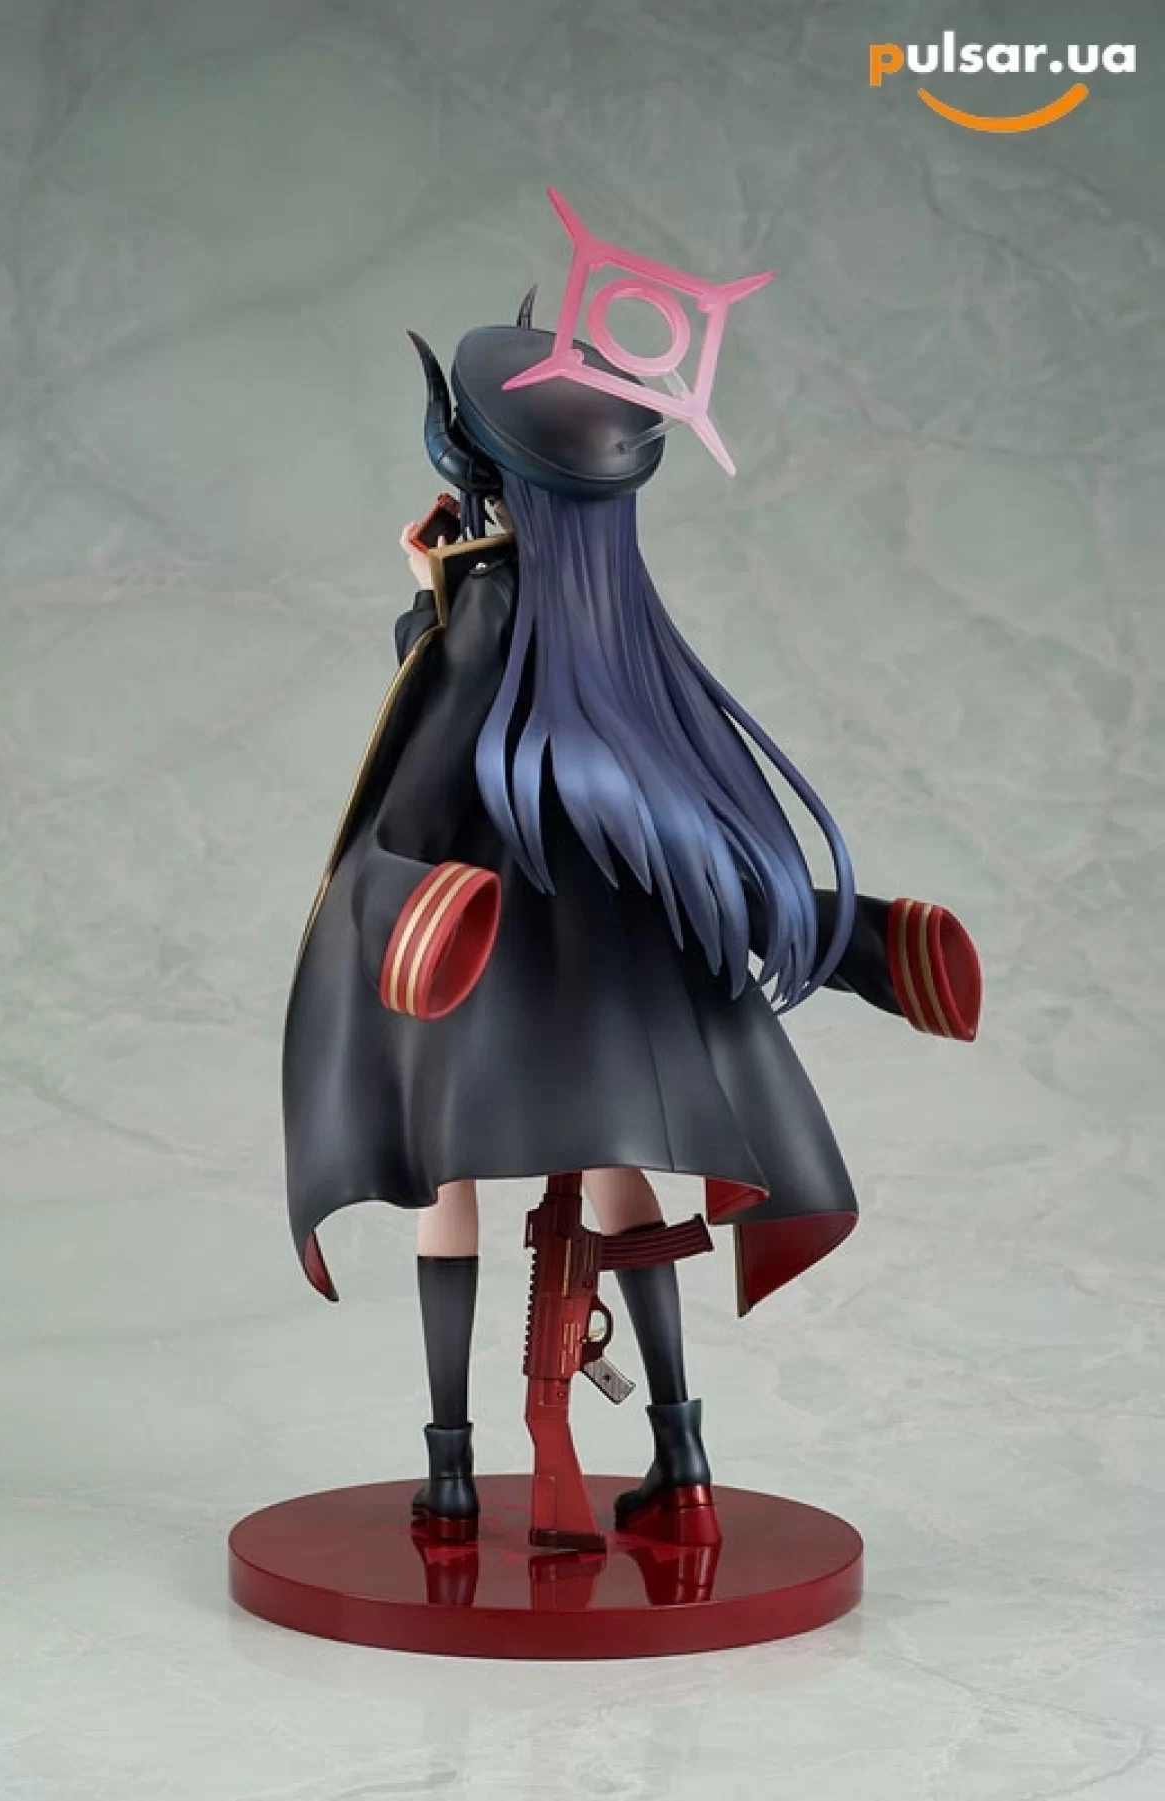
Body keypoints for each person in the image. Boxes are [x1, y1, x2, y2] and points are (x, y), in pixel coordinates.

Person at [281, 294, 982, 1545]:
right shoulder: (615, 617)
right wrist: (437, 589)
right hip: (606, 963)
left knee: (447, 1178)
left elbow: (424, 780)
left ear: (477, 466)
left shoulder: (491, 609)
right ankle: (684, 1458)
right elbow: (673, 793)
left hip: (482, 957)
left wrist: (437, 605)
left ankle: (452, 1475)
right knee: (618, 1169)